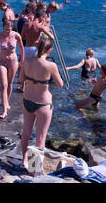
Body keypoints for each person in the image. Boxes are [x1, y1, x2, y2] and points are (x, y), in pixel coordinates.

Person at [20, 38, 63, 170]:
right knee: (40, 138)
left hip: (27, 100)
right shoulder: (51, 66)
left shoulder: (26, 61)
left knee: (26, 133)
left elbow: (21, 79)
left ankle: (24, 161)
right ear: (50, 50)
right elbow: (60, 85)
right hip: (43, 104)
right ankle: (35, 168)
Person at [0, 20, 25, 119]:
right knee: (4, 85)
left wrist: (22, 59)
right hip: (1, 62)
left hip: (13, 62)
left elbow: (21, 47)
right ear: (3, 28)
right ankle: (4, 110)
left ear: (12, 28)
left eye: (9, 29)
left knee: (10, 83)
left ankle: (7, 101)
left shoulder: (16, 35)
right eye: (6, 29)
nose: (8, 31)